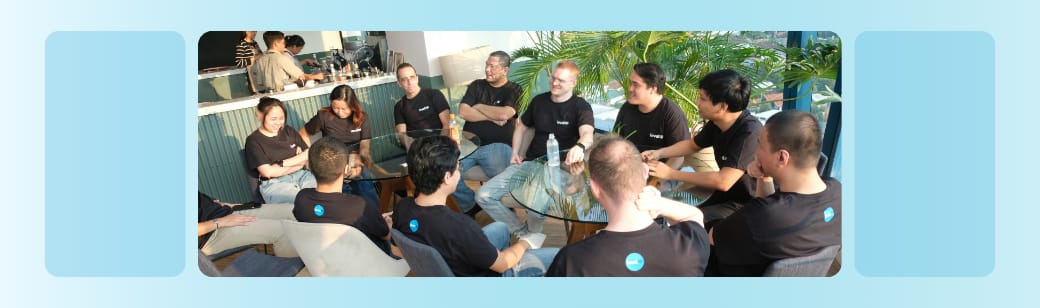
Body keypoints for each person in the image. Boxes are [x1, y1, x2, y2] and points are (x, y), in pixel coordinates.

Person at [391, 135, 558, 277]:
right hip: (484, 278)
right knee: (559, 256)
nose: (460, 172)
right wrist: (527, 242)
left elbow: (397, 249)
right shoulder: (460, 226)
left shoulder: (402, 208)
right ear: (447, 177)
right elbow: (502, 264)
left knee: (500, 227)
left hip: (452, 265)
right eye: (458, 168)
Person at [545, 136, 709, 276]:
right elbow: (694, 216)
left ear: (595, 188)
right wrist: (659, 204)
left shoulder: (572, 261)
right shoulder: (689, 249)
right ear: (644, 172)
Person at [707, 110, 841, 276]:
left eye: (760, 146)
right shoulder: (838, 193)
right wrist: (765, 176)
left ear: (782, 158)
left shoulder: (764, 216)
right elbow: (771, 210)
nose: (755, 153)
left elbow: (712, 237)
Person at [476, 60, 595, 236]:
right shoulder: (539, 101)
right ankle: (525, 234)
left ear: (573, 83)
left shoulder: (580, 106)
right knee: (482, 195)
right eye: (553, 78)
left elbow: (587, 134)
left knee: (534, 205)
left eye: (560, 80)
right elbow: (522, 127)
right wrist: (515, 152)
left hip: (561, 168)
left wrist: (579, 146)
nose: (554, 83)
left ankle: (533, 237)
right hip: (531, 164)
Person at [641, 68, 761, 230]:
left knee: (687, 223)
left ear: (722, 106)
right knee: (672, 211)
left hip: (746, 202)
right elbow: (691, 145)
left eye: (703, 99)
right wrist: (659, 153)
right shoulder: (717, 122)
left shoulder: (749, 133)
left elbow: (723, 181)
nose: (697, 102)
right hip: (725, 196)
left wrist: (670, 174)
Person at [293, 137, 394, 257]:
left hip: (323, 259)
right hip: (364, 262)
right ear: (346, 169)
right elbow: (385, 234)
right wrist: (386, 223)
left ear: (309, 167)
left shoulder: (301, 198)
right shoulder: (361, 206)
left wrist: (373, 219)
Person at [454, 51, 522, 216]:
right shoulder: (477, 85)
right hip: (468, 145)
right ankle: (470, 204)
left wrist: (477, 106)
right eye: (486, 64)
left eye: (492, 66)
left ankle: (504, 208)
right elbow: (463, 112)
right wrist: (494, 117)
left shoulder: (514, 89)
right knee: (444, 171)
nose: (487, 69)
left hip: (497, 146)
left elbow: (505, 114)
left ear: (505, 70)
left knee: (503, 180)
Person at [298, 85, 379, 205]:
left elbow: (365, 146)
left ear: (352, 105)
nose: (339, 112)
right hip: (332, 159)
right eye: (335, 107)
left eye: (344, 108)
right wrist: (310, 155)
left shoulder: (362, 117)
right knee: (341, 192)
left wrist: (357, 163)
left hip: (354, 157)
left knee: (365, 186)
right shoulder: (324, 116)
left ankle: (374, 216)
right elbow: (303, 133)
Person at [613, 62, 690, 171]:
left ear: (653, 88)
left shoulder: (672, 114)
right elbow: (616, 141)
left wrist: (657, 182)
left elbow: (678, 157)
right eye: (630, 83)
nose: (630, 88)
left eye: (636, 84)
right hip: (630, 170)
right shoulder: (627, 108)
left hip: (665, 173)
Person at [244, 97, 317, 204]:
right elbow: (267, 172)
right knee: (303, 203)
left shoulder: (288, 131)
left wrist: (281, 164)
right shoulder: (254, 141)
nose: (278, 123)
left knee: (323, 196)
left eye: (281, 118)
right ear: (260, 116)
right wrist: (298, 162)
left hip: (302, 176)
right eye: (273, 119)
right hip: (275, 184)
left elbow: (308, 155)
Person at [198, 192, 297, 258]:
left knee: (295, 211)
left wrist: (220, 204)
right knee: (285, 232)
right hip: (210, 233)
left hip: (225, 212)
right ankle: (295, 269)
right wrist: (220, 221)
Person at [251, 31, 324, 93]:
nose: (284, 46)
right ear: (276, 43)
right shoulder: (281, 58)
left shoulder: (261, 59)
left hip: (269, 94)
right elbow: (301, 76)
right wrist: (316, 76)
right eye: (283, 43)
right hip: (284, 93)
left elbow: (260, 82)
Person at [393, 62, 450, 139]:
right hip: (416, 146)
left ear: (417, 78)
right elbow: (402, 136)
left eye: (412, 77)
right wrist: (413, 147)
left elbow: (447, 124)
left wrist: (438, 145)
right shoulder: (399, 106)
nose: (409, 82)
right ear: (399, 83)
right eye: (404, 80)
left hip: (440, 143)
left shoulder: (434, 95)